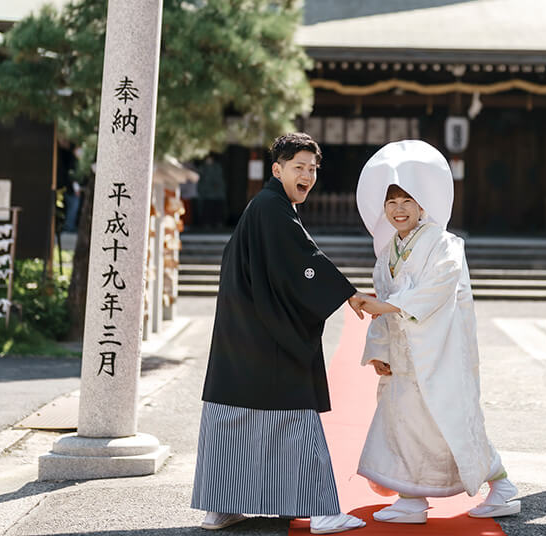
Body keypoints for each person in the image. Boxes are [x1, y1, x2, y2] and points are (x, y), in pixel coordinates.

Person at [191, 132, 369, 535]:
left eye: (312, 169)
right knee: (295, 417)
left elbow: (292, 266)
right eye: (298, 167)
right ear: (277, 170)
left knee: (233, 416)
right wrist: (348, 294)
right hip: (269, 335)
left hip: (241, 333)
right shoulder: (274, 209)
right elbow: (305, 263)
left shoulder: (265, 206)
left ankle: (220, 506)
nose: (307, 175)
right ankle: (322, 511)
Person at [353, 140, 520, 523]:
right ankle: (411, 497)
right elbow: (384, 298)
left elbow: (438, 289)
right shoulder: (388, 252)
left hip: (438, 350)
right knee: (403, 423)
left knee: (450, 421)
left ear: (422, 205)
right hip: (405, 355)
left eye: (407, 201)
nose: (398, 210)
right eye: (391, 202)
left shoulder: (445, 245)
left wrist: (389, 306)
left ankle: (503, 486)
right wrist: (380, 349)